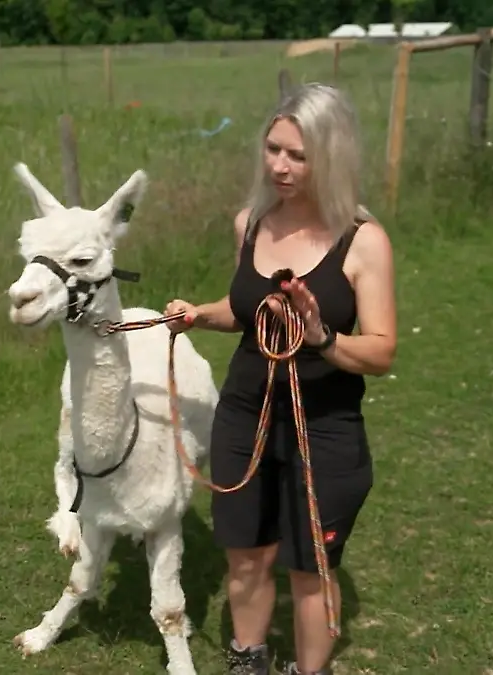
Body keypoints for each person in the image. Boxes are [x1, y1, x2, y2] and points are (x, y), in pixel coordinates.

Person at [164, 83, 397, 675]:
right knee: (245, 557)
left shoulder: (362, 241)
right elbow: (244, 307)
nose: (281, 166)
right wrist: (198, 315)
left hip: (324, 426)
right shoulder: (250, 223)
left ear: (332, 155)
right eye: (273, 149)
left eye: (298, 154)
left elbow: (381, 350)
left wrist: (321, 335)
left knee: (310, 569)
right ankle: (249, 659)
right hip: (245, 417)